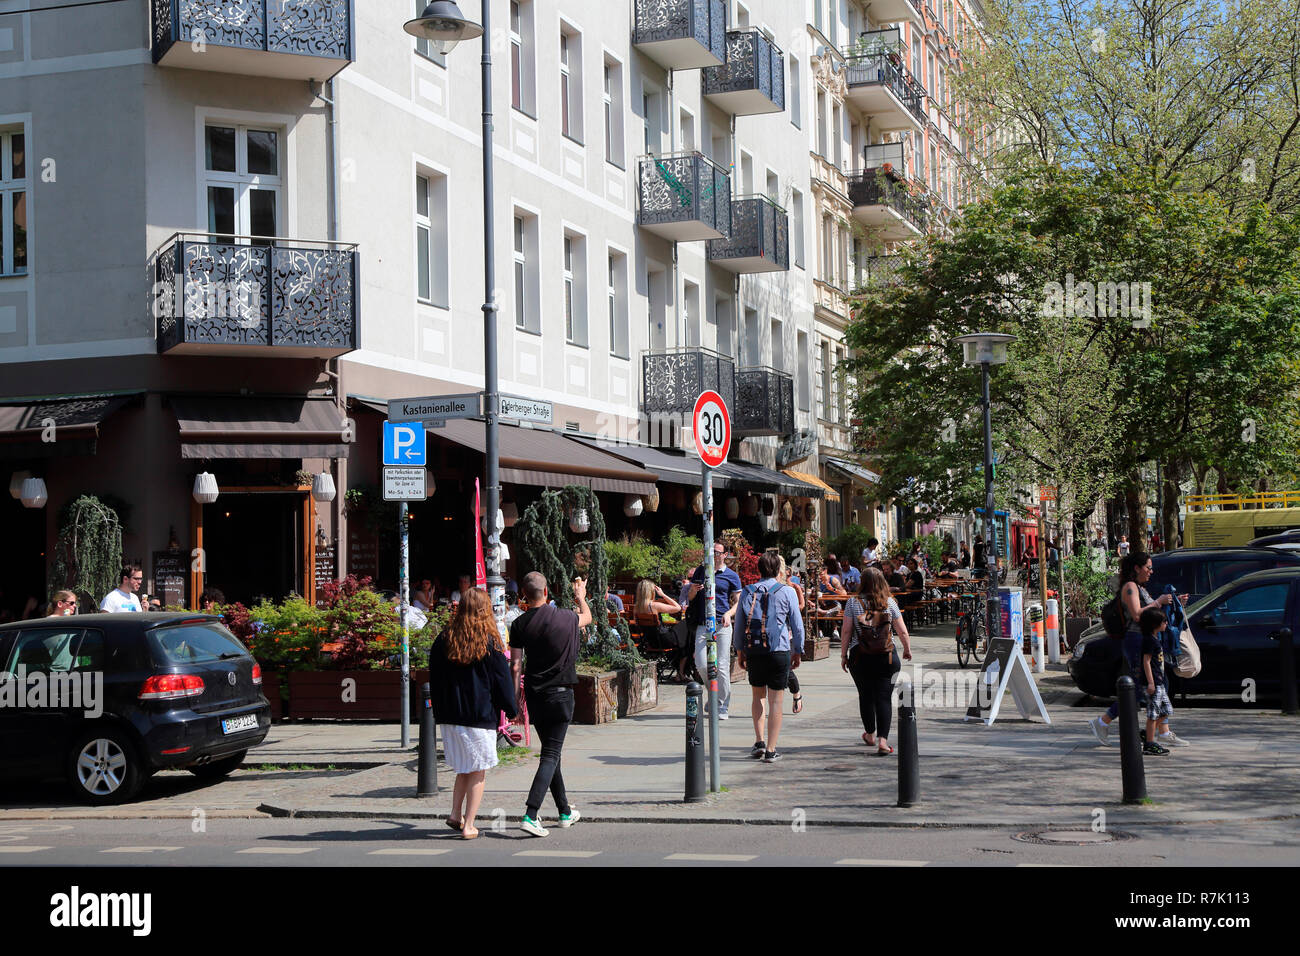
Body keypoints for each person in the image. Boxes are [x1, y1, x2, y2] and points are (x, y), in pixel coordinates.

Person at [428, 588, 517, 840]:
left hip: (450, 718)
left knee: (464, 768)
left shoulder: (444, 640)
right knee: (478, 770)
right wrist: (512, 710)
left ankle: (455, 814)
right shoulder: (489, 642)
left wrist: (439, 710)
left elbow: (434, 678)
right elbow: (502, 682)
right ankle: (469, 825)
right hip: (478, 716)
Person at [510, 571, 589, 837]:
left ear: (524, 595)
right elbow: (587, 618)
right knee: (551, 754)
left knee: (551, 753)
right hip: (561, 695)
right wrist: (581, 598)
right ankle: (531, 814)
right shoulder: (565, 617)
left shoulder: (519, 625)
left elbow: (516, 665)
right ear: (546, 593)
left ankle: (565, 811)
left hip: (534, 695)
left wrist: (514, 701)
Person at [1087, 551, 1187, 747]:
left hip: (1146, 639)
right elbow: (1138, 614)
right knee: (1138, 688)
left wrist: (1176, 603)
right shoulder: (1130, 587)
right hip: (1136, 641)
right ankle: (1102, 722)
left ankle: (1163, 730)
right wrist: (1159, 601)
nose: (1151, 571)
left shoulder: (1140, 587)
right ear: (1137, 568)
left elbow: (1152, 612)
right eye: (1148, 567)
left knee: (1160, 683)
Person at [736, 551, 805, 763]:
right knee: (776, 701)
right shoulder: (787, 591)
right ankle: (771, 749)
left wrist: (740, 651)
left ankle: (759, 741)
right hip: (779, 651)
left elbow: (739, 625)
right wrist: (798, 651)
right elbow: (797, 626)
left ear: (759, 569)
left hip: (755, 650)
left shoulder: (747, 591)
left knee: (758, 697)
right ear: (778, 570)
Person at [841, 567, 912, 754]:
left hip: (860, 657)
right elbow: (902, 630)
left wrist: (843, 655)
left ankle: (870, 735)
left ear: (862, 582)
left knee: (865, 696)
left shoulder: (852, 603)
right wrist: (907, 649)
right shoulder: (890, 603)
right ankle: (883, 741)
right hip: (886, 656)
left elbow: (847, 631)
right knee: (883, 698)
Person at [687, 543, 743, 720]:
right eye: (710, 552)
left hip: (722, 625)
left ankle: (722, 706)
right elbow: (689, 598)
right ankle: (713, 696)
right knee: (702, 664)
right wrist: (693, 591)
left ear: (724, 555)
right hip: (703, 624)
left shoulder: (731, 576)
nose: (712, 555)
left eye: (717, 553)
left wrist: (728, 613)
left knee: (723, 667)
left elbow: (739, 602)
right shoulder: (700, 571)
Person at [1138, 606, 1183, 754]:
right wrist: (1151, 682)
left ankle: (1147, 733)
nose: (1166, 624)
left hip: (1160, 682)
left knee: (1166, 711)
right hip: (1154, 683)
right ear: (1155, 624)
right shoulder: (1149, 641)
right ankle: (1149, 744)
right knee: (1153, 714)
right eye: (1164, 621)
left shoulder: (1155, 638)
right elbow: (1146, 661)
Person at [634, 579, 689, 681]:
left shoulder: (637, 608)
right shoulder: (654, 605)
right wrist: (663, 595)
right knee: (685, 625)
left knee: (681, 636)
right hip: (664, 640)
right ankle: (682, 670)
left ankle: (680, 672)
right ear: (650, 592)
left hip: (650, 642)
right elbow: (677, 608)